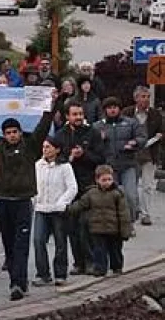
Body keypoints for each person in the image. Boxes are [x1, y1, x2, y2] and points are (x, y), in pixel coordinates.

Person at [0, 88, 56, 301]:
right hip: (3, 201)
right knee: (8, 244)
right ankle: (16, 279)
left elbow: (43, 126)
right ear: (4, 134)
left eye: (15, 131)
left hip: (23, 202)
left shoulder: (31, 146)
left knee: (21, 244)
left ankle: (18, 283)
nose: (12, 135)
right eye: (8, 132)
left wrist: (51, 105)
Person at [56, 100, 105, 275]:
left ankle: (91, 261)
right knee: (72, 227)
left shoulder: (92, 133)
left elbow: (100, 158)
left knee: (86, 225)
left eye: (80, 114)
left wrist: (84, 155)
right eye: (74, 114)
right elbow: (56, 158)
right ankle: (78, 262)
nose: (78, 117)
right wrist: (69, 157)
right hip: (68, 188)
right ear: (67, 116)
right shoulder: (60, 135)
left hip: (87, 185)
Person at [68, 165, 133, 277]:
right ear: (97, 180)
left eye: (109, 179)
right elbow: (81, 204)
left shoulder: (117, 193)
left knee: (115, 251)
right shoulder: (91, 193)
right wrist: (68, 209)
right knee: (99, 251)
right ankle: (100, 269)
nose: (107, 182)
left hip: (114, 230)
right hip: (97, 229)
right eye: (104, 180)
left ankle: (116, 267)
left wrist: (125, 231)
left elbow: (124, 214)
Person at [33, 137, 77, 286]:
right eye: (44, 147)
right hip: (41, 209)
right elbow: (34, 185)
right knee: (38, 240)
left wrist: (62, 203)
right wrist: (35, 199)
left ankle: (60, 273)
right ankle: (43, 273)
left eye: (49, 147)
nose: (45, 149)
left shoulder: (65, 167)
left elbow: (72, 188)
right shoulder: (38, 165)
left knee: (60, 242)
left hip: (58, 210)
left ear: (57, 149)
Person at [93, 97, 145, 222]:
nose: (112, 110)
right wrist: (100, 139)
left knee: (130, 196)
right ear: (105, 110)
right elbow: (92, 145)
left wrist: (135, 142)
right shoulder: (98, 126)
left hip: (128, 164)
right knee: (109, 197)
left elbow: (142, 137)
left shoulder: (131, 123)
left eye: (114, 107)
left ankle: (130, 222)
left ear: (119, 109)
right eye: (109, 108)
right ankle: (112, 223)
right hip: (108, 166)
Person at [122, 86, 162, 226]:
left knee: (147, 185)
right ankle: (134, 210)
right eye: (143, 97)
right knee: (131, 186)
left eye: (147, 97)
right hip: (131, 154)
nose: (146, 100)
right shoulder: (127, 113)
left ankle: (146, 214)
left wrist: (158, 137)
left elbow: (161, 131)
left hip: (149, 154)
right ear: (136, 98)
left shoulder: (155, 114)